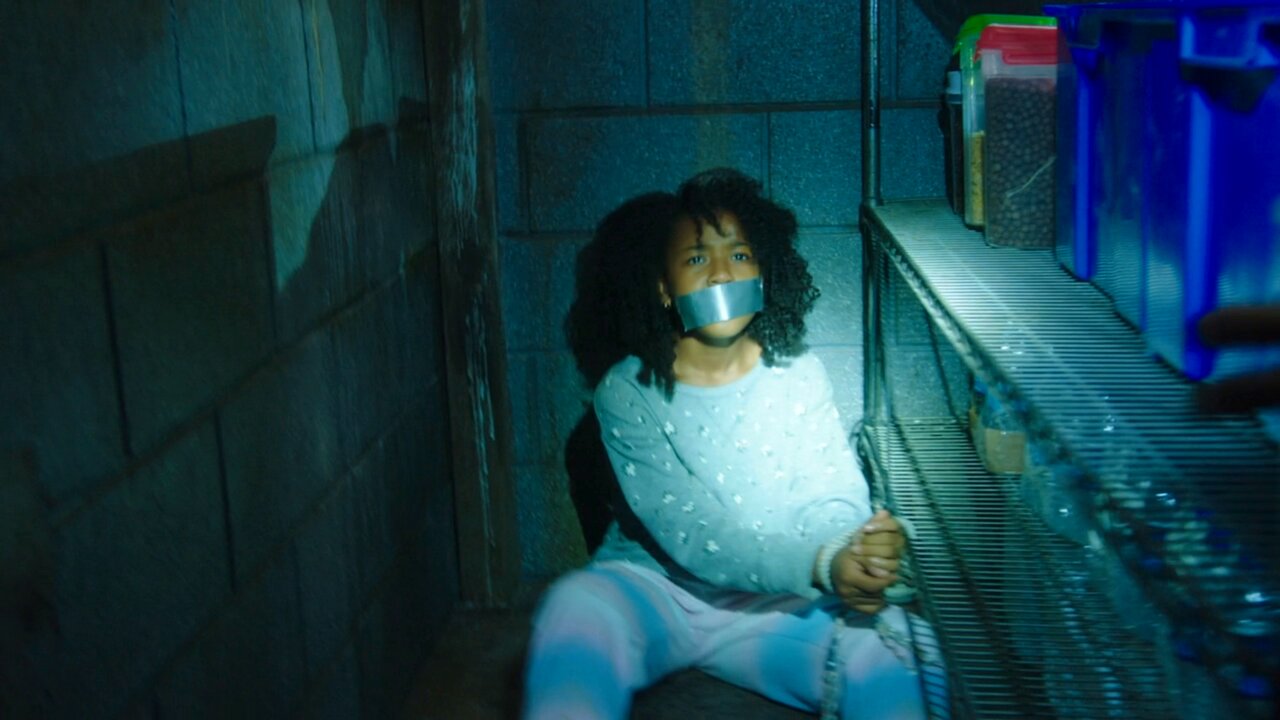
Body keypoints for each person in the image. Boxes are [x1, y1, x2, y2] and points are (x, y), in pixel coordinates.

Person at [524, 168, 937, 719]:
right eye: (697, 258)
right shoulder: (627, 390)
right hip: (662, 593)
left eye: (739, 255)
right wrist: (822, 562)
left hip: (779, 604)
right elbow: (694, 532)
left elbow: (831, 491)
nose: (722, 273)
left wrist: (855, 550)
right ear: (665, 288)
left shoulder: (798, 374)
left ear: (764, 272)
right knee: (575, 608)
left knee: (895, 648)